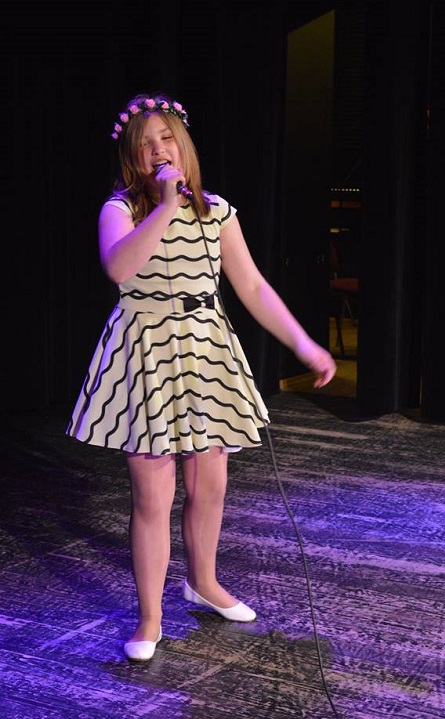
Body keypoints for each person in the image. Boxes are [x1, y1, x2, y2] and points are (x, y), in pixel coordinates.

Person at [66, 92, 336, 662]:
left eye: (166, 139)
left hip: (205, 350)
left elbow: (253, 286)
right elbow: (118, 266)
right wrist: (164, 206)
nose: (158, 150)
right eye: (145, 145)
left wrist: (304, 343)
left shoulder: (217, 211)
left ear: (184, 145)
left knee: (210, 484)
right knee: (153, 495)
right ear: (131, 158)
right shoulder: (120, 209)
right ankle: (150, 616)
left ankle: (204, 582)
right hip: (146, 355)